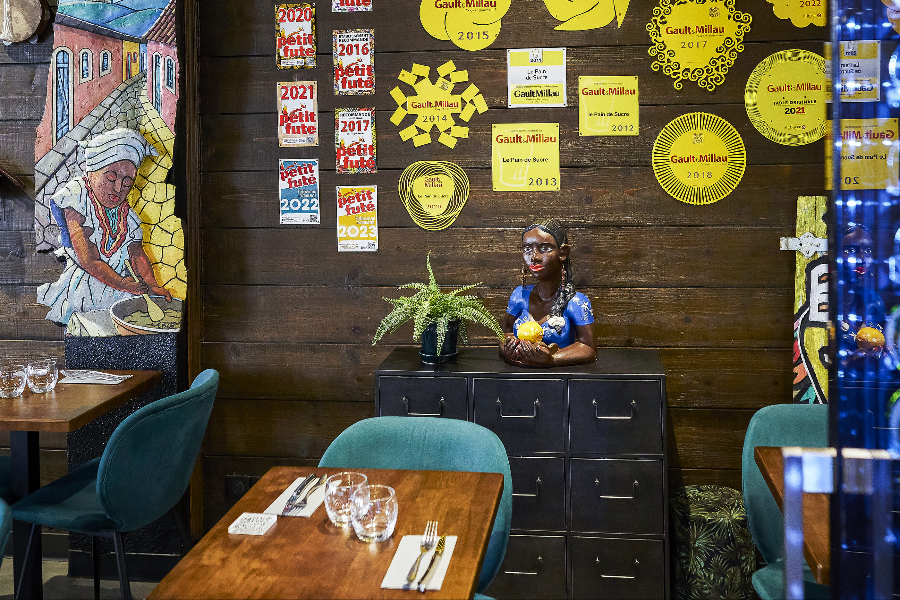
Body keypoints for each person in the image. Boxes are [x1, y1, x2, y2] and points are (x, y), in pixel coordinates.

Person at [37, 128, 171, 328]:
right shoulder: (77, 197)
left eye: (127, 183)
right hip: (84, 287)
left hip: (121, 289)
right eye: (110, 178)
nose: (118, 189)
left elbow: (136, 254)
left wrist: (151, 284)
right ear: (92, 171)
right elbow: (89, 259)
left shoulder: (129, 217)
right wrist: (123, 284)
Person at [499, 218, 596, 367]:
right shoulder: (520, 295)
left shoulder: (576, 302)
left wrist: (553, 359)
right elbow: (504, 333)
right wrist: (507, 348)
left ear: (562, 253)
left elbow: (588, 348)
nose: (534, 257)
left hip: (560, 382)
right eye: (527, 249)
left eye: (544, 249)